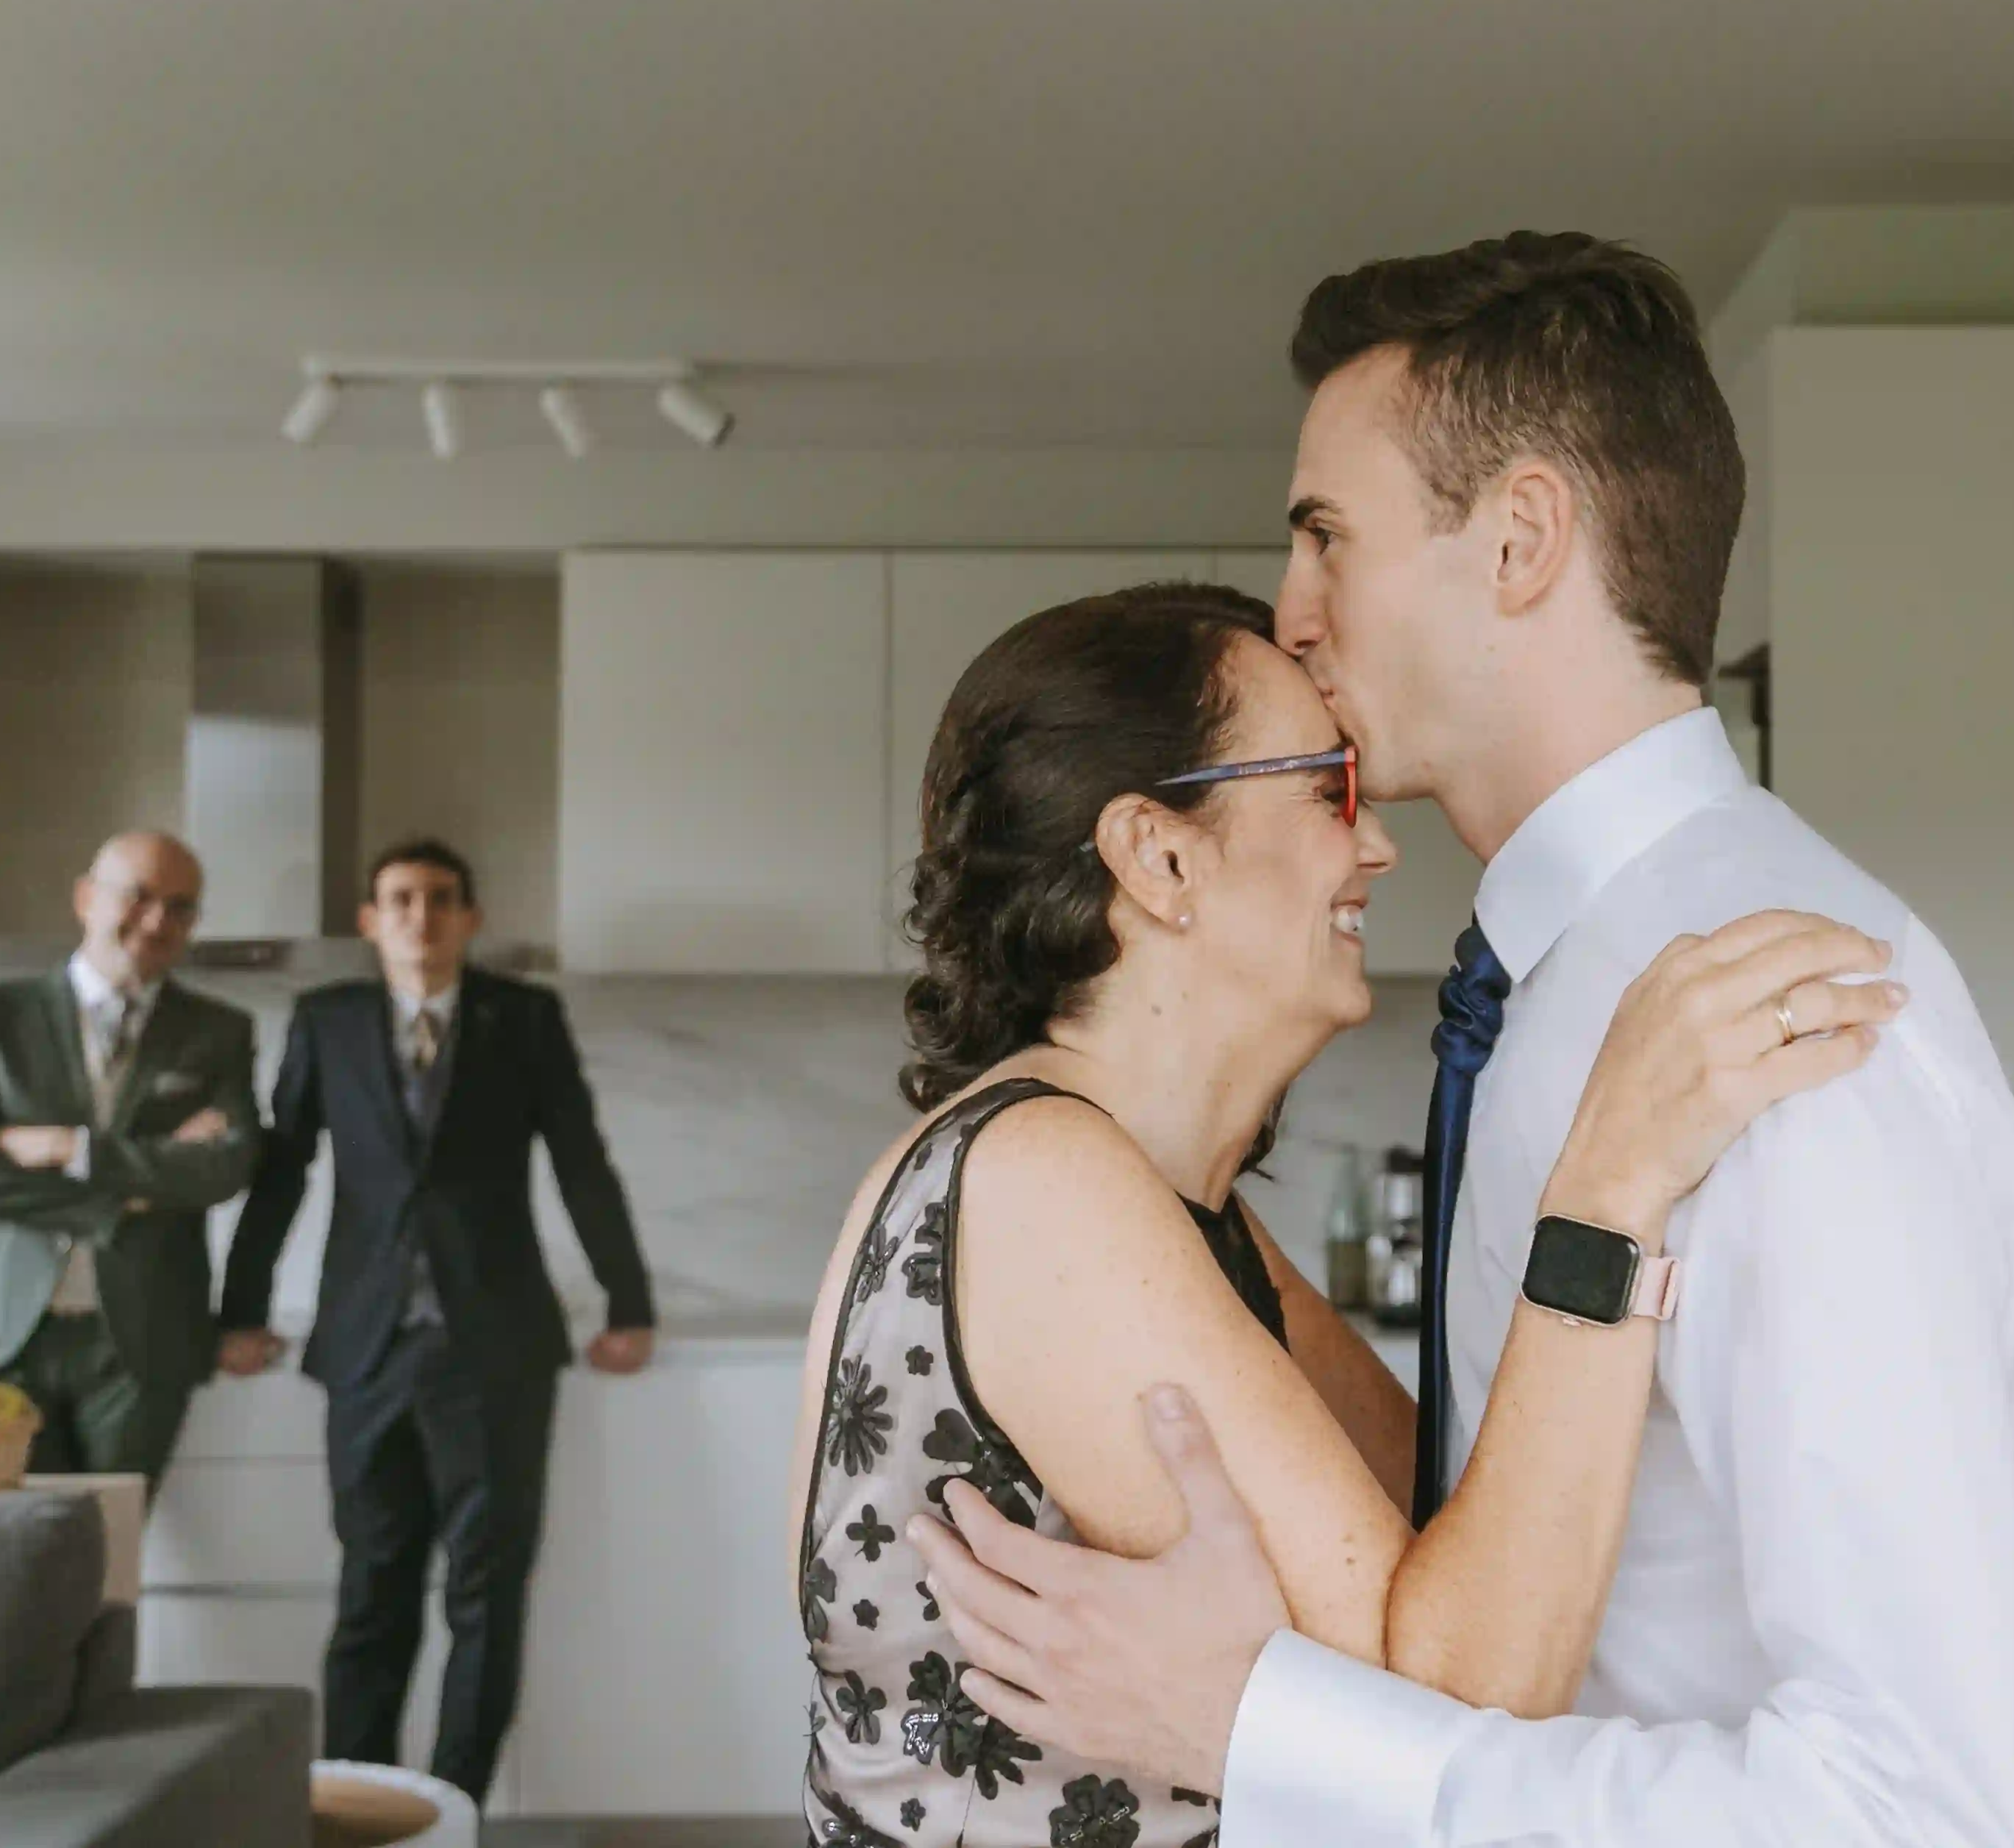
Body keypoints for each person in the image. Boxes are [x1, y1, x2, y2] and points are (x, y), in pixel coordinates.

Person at [910, 233, 2014, 1848]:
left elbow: (1918, 1810)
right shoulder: (1553, 993)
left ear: (1520, 537)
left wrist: (1265, 1729)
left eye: (1326, 537)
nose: (1292, 613)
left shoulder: (1785, 1011)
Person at [790, 582, 1899, 1847]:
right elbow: (1470, 1700)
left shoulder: (1157, 1197)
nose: (1375, 846)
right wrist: (1607, 1184)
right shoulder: (1044, 1185)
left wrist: (1246, 1690)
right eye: (1329, 791)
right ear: (1158, 856)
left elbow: (1441, 1552)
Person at [218, 838, 657, 1806]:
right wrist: (238, 1311)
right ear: (372, 920)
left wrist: (630, 1303)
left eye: (441, 899)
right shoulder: (325, 1022)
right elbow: (281, 1171)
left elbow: (582, 1162)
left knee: (485, 1599)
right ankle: (354, 1810)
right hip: (365, 1349)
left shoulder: (524, 1020)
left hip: (496, 1352)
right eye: (401, 899)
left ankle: (452, 1809)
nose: (422, 915)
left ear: (470, 918)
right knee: (372, 1589)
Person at [0, 830, 259, 1493]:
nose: (158, 920)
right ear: (86, 899)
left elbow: (226, 1168)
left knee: (112, 1554)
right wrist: (120, 1199)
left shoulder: (219, 1032)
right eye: (137, 896)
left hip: (145, 1339)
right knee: (5, 1551)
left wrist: (69, 1150)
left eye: (181, 907)